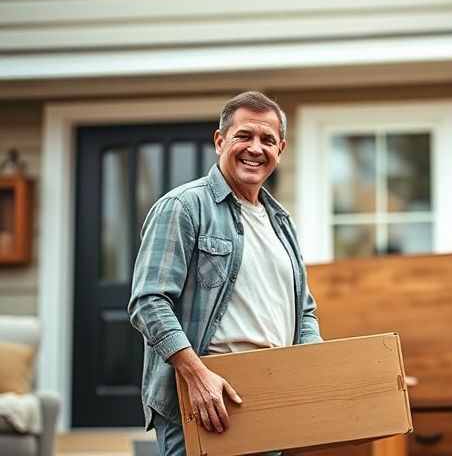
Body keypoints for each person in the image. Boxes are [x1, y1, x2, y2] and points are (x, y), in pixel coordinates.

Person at [128, 91, 323, 456]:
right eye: (244, 136)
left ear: (280, 149)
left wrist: (314, 374)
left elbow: (305, 312)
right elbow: (148, 302)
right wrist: (195, 374)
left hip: (269, 399)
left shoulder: (282, 223)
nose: (255, 148)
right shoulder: (183, 207)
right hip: (203, 402)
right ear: (220, 141)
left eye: (267, 140)